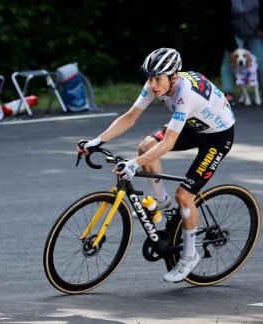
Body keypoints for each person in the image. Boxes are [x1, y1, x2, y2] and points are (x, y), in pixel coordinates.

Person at [78, 48, 235, 283]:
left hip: (217, 137)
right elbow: (130, 117)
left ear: (173, 76)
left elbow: (169, 142)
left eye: (157, 79)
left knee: (185, 196)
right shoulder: (157, 82)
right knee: (145, 147)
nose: (152, 85)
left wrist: (133, 165)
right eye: (149, 78)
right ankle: (163, 204)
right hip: (193, 127)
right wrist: (97, 141)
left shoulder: (185, 94)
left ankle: (189, 256)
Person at [220, 0, 263, 104]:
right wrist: (232, 45)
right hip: (235, 33)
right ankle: (228, 91)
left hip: (255, 32)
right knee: (228, 60)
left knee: (261, 59)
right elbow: (224, 20)